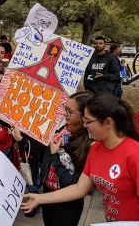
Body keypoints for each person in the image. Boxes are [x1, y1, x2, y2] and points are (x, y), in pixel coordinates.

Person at [21, 93, 139, 224]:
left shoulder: (137, 157)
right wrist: (39, 198)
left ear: (108, 122)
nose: (84, 125)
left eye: (88, 121)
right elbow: (79, 188)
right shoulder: (95, 149)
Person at [39, 92, 93, 226]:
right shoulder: (60, 130)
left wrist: (55, 155)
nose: (64, 114)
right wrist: (21, 140)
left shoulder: (87, 144)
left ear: (84, 116)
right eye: (65, 108)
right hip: (49, 193)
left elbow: (73, 183)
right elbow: (43, 157)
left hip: (68, 203)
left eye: (69, 111)